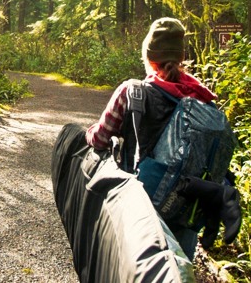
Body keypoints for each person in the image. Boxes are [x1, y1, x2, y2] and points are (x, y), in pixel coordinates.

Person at [85, 17, 240, 256]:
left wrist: (88, 132)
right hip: (186, 210)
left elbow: (101, 139)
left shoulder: (132, 92)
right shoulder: (204, 98)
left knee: (140, 267)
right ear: (180, 57)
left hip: (144, 203)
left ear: (149, 57)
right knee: (179, 269)